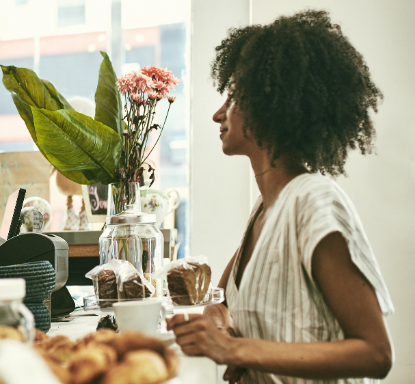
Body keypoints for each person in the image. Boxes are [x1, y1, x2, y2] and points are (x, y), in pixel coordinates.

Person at [167, 10, 394, 383]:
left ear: (269, 103)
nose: (217, 114)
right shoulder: (265, 208)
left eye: (233, 97)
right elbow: (220, 301)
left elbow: (376, 353)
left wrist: (234, 350)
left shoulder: (313, 203)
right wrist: (218, 328)